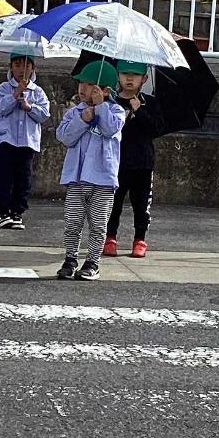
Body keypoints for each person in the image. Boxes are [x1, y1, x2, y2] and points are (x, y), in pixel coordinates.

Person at [101, 42, 219, 259]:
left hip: (143, 162)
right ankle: (110, 237)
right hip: (115, 162)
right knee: (113, 203)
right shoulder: (111, 102)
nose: (129, 79)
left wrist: (140, 111)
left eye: (135, 75)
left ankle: (139, 239)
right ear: (117, 76)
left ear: (144, 79)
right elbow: (106, 129)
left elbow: (156, 129)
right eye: (125, 74)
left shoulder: (150, 102)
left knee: (141, 204)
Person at [55, 59, 125, 280]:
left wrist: (100, 107)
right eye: (81, 84)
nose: (83, 89)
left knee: (98, 223)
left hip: (102, 179)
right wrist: (83, 120)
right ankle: (70, 258)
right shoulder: (75, 111)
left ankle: (93, 261)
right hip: (76, 177)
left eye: (90, 85)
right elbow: (65, 137)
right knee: (73, 221)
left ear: (106, 90)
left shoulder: (116, 111)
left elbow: (110, 129)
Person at [0, 51, 49, 229]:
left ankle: (18, 212)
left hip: (27, 141)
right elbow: (0, 107)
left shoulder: (37, 91)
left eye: (26, 65)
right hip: (5, 140)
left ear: (33, 68)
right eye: (17, 65)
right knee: (3, 178)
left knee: (23, 179)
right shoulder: (3, 88)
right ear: (11, 68)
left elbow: (44, 115)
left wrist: (29, 107)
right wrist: (16, 93)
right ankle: (3, 212)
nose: (22, 69)